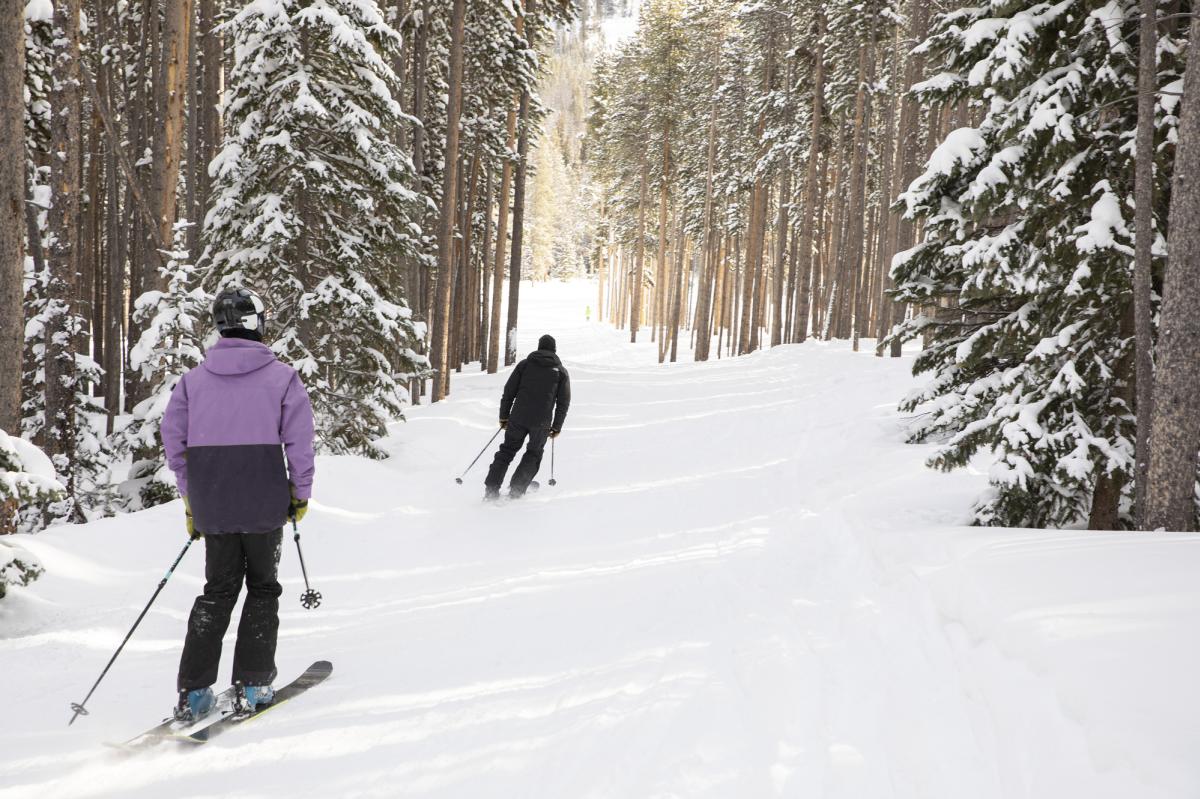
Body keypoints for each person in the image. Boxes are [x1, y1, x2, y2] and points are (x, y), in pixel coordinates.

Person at [161, 286, 315, 721]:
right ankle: (254, 682)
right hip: (265, 503)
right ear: (257, 323)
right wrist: (299, 492)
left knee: (218, 590)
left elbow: (174, 443)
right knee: (263, 588)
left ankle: (193, 692)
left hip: (215, 506)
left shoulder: (193, 381)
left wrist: (192, 497)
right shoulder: (282, 377)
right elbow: (300, 443)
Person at [485, 334, 571, 499]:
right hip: (542, 422)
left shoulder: (524, 365)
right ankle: (517, 488)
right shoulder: (560, 372)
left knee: (507, 450)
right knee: (534, 453)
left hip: (518, 417)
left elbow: (509, 391)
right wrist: (556, 426)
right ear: (554, 350)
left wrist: (504, 416)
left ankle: (491, 489)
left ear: (539, 347)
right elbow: (563, 403)